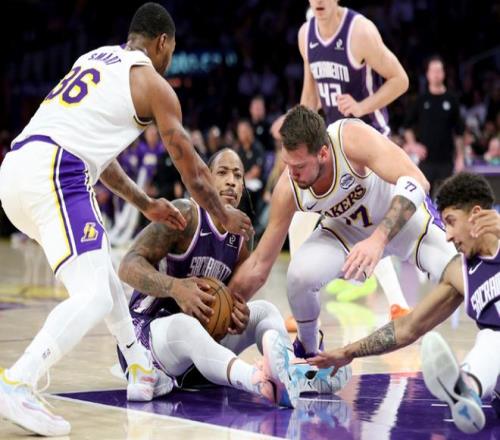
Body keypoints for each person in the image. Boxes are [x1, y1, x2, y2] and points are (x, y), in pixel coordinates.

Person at [0, 3, 251, 437]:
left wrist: (145, 202)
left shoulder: (95, 60)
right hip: (57, 171)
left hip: (18, 169)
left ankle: (140, 366)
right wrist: (221, 213)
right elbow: (190, 165)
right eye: (172, 51)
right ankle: (18, 382)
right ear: (163, 43)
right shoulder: (153, 84)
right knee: (95, 295)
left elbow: (101, 156)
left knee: (103, 277)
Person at [117, 149, 351, 408]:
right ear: (206, 179)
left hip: (200, 360)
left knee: (264, 311)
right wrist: (176, 288)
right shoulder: (185, 215)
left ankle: (295, 373)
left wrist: (235, 312)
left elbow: (230, 298)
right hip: (147, 342)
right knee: (187, 325)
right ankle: (259, 382)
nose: (231, 181)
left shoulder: (241, 233)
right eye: (223, 172)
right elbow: (127, 266)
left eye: (238, 176)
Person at [229, 105, 456, 360]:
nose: (292, 173)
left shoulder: (350, 138)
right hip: (348, 230)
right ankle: (309, 351)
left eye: (299, 166)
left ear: (323, 153)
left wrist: (378, 239)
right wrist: (226, 302)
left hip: (404, 219)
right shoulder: (288, 187)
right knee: (299, 276)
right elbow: (259, 263)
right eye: (287, 164)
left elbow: (417, 181)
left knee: (462, 276)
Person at [308, 172, 500, 434]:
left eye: (451, 222)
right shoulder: (460, 272)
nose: (448, 236)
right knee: (492, 337)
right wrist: (348, 352)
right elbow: (408, 327)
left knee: (493, 336)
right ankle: (465, 393)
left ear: (476, 215)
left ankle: (464, 387)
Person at [292, 0, 412, 319]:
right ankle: (301, 303)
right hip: (335, 144)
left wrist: (362, 106)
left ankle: (399, 301)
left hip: (371, 139)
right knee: (299, 215)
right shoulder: (306, 35)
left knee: (367, 220)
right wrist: (296, 139)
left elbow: (400, 80)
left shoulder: (360, 31)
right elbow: (310, 95)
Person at [403, 56, 465, 196]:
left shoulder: (452, 100)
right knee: (424, 199)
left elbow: (459, 132)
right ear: (428, 74)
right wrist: (413, 145)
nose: (436, 74)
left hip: (447, 161)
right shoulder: (421, 100)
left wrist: (460, 157)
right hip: (426, 161)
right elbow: (407, 127)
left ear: (443, 73)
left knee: (448, 199)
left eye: (439, 71)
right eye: (433, 71)